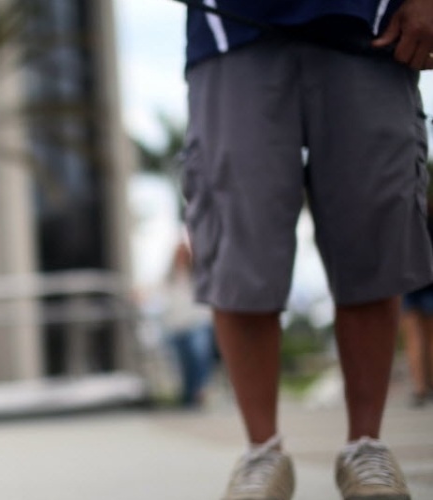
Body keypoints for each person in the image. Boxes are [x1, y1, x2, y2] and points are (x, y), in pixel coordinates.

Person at [182, 1, 433, 499]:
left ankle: (366, 446)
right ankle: (262, 452)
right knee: (239, 244)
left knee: (371, 235)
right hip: (230, 24)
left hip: (370, 24)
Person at [161, 238, 217, 408]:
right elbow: (157, 296)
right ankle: (188, 395)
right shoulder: (169, 278)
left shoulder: (198, 276)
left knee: (198, 356)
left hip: (197, 323)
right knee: (182, 363)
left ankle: (198, 391)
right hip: (175, 325)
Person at [400, 193, 433, 408]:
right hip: (419, 282)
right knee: (422, 337)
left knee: (418, 338)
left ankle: (421, 386)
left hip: (411, 281)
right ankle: (422, 385)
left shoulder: (402, 218)